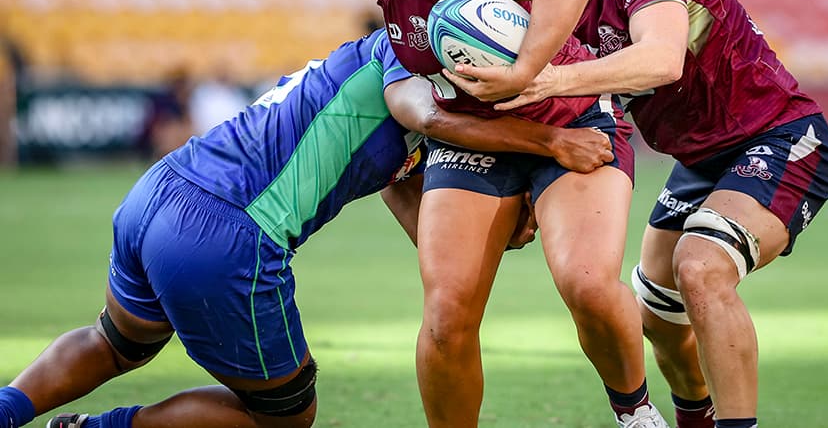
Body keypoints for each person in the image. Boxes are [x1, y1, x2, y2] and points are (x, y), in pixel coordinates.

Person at [0, 28, 616, 428]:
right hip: (225, 235)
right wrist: (552, 141)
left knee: (117, 342)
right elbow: (430, 117)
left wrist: (477, 231)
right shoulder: (415, 64)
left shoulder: (375, 72)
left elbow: (402, 188)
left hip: (160, 192)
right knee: (285, 417)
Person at [264, 0, 667, 428]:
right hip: (477, 140)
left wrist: (525, 75)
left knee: (586, 285)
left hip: (572, 117)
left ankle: (635, 414)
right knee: (447, 314)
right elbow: (419, 119)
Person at [456, 0, 828, 428]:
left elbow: (660, 60)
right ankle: (697, 419)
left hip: (779, 135)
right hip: (700, 159)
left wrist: (545, 78)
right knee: (658, 317)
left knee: (702, 268)